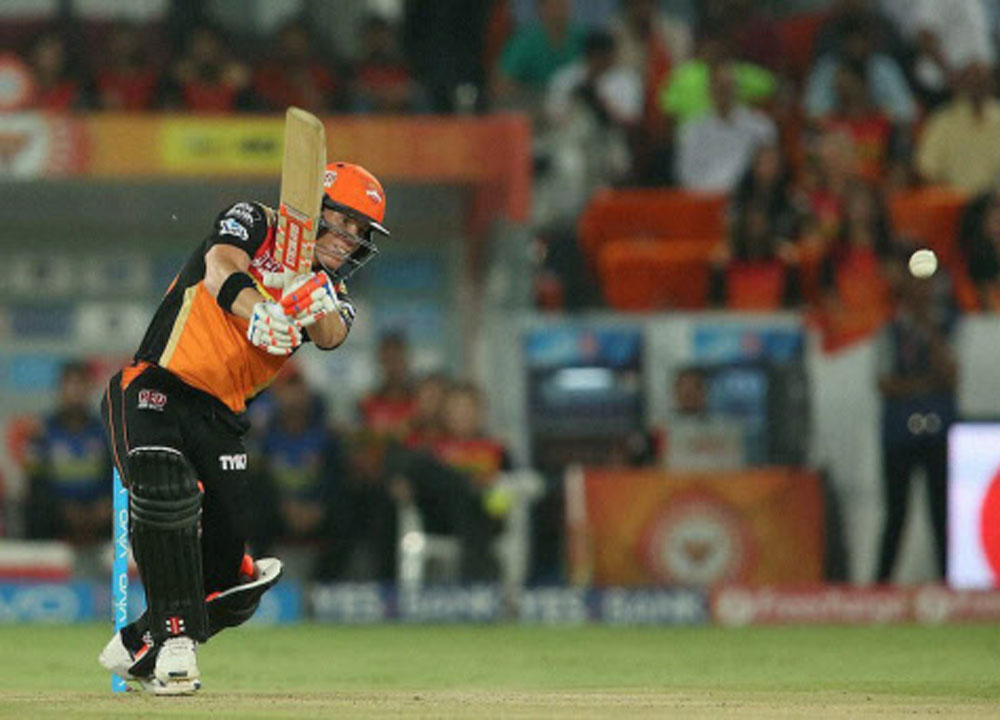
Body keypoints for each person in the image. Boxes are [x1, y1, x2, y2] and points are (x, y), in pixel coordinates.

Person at [97, 161, 390, 694]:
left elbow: (330, 335)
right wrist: (260, 309)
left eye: (360, 231)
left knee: (229, 581)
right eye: (343, 221)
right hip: (156, 384)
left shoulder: (331, 289)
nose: (349, 238)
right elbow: (219, 265)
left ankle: (138, 642)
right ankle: (176, 646)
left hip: (222, 420)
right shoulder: (255, 220)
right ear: (316, 210)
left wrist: (311, 297)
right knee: (166, 486)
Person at [875, 261, 957, 582]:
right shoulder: (891, 330)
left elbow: (951, 373)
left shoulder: (948, 325)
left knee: (941, 512)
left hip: (938, 431)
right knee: (897, 512)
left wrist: (929, 328)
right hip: (899, 432)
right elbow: (885, 384)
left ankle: (950, 582)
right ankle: (882, 585)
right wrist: (927, 384)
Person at [23, 361, 112, 546]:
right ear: (60, 389)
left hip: (98, 515)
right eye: (70, 385)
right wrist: (63, 509)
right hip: (56, 515)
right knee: (35, 508)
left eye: (81, 384)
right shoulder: (41, 432)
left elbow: (115, 478)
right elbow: (35, 483)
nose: (75, 392)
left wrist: (105, 505)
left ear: (89, 389)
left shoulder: (104, 432)